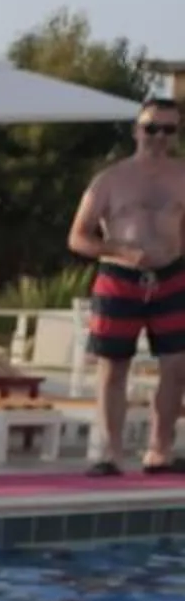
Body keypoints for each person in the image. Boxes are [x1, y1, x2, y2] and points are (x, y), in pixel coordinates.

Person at [66, 94, 185, 477]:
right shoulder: (110, 180)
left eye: (168, 129)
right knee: (114, 366)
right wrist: (120, 250)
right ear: (137, 130)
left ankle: (159, 451)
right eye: (152, 128)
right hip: (120, 279)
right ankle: (112, 453)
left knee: (176, 366)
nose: (159, 136)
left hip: (171, 278)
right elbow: (78, 237)